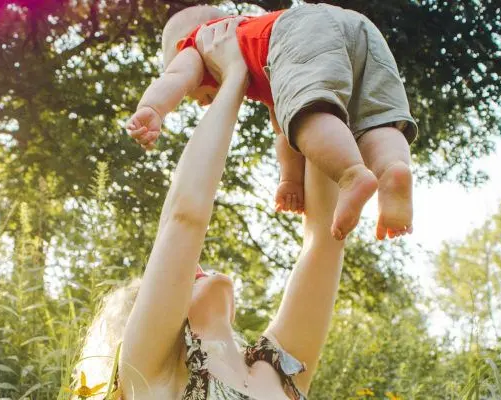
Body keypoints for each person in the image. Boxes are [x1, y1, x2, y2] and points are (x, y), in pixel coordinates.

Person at [76, 19, 346, 399]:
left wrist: (305, 84)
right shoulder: (148, 375)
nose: (195, 265)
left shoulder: (278, 367)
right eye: (183, 277)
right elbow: (184, 218)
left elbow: (325, 237)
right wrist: (234, 76)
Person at [125, 4, 418, 241]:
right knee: (375, 119)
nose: (200, 101)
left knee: (309, 116)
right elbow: (284, 131)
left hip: (300, 29)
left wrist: (153, 108)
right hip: (358, 28)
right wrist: (290, 180)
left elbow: (175, 77)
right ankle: (392, 170)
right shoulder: (266, 59)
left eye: (195, 95)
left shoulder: (201, 43)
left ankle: (352, 174)